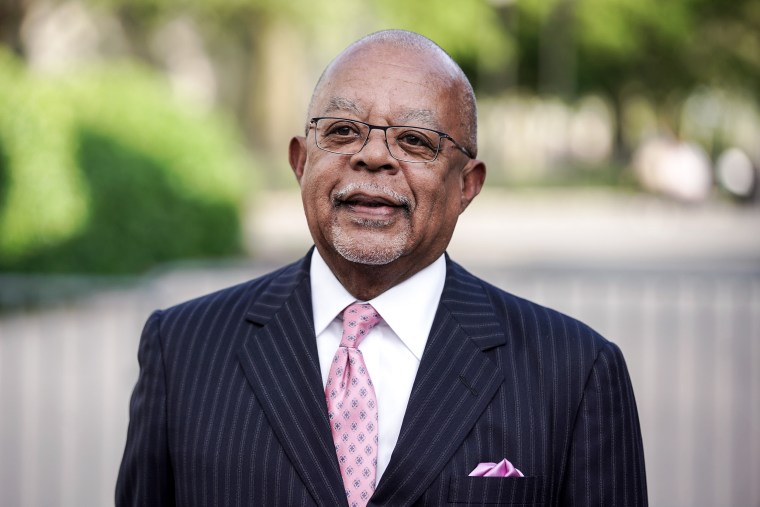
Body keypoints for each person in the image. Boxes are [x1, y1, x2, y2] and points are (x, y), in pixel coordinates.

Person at [116, 29, 647, 506]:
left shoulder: (575, 374)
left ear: (467, 185)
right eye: (343, 131)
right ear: (301, 162)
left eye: (415, 140)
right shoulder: (182, 349)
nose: (373, 156)